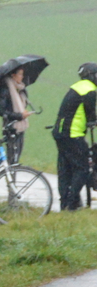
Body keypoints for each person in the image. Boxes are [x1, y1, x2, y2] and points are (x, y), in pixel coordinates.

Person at [53, 63, 97, 211]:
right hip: (73, 134)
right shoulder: (89, 90)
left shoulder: (77, 87)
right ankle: (72, 204)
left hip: (60, 133)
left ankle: (64, 203)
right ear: (93, 75)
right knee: (83, 168)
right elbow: (91, 117)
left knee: (65, 170)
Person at [0, 67, 31, 163]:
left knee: (16, 158)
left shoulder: (21, 89)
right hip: (11, 128)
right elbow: (1, 111)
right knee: (12, 158)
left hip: (20, 127)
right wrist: (19, 116)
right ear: (13, 75)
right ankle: (9, 172)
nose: (22, 76)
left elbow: (23, 105)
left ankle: (11, 172)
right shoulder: (5, 90)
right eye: (20, 74)